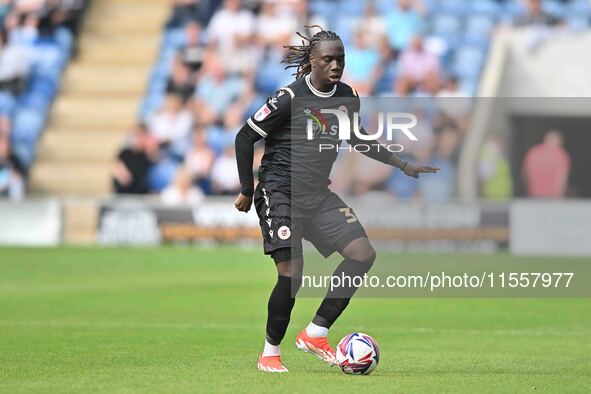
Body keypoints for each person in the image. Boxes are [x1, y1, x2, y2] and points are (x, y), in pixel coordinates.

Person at [233, 26, 439, 373]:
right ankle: (270, 353)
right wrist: (246, 189)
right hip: (279, 190)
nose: (335, 65)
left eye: (340, 59)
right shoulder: (289, 98)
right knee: (292, 274)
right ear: (312, 61)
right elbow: (244, 137)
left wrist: (402, 164)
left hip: (316, 194)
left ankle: (316, 332)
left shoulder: (347, 96)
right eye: (328, 59)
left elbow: (358, 138)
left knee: (362, 254)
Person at [522, 130, 570, 198]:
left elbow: (525, 173)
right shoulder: (560, 155)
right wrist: (559, 195)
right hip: (552, 196)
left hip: (533, 194)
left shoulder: (533, 152)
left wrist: (528, 189)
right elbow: (562, 178)